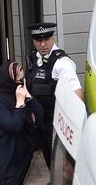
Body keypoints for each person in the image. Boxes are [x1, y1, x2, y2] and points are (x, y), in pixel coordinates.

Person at [26, 22, 83, 170]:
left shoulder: (61, 62)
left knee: (60, 167)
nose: (43, 44)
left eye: (47, 39)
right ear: (33, 41)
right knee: (49, 163)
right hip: (40, 123)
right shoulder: (34, 58)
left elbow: (76, 92)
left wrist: (73, 126)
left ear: (54, 38)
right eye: (39, 40)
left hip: (55, 126)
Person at [0, 61, 44, 185]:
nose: (20, 83)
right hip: (1, 157)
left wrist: (29, 97)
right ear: (7, 79)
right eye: (17, 79)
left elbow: (40, 114)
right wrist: (20, 103)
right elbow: (13, 125)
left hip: (20, 155)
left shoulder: (18, 92)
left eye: (22, 79)